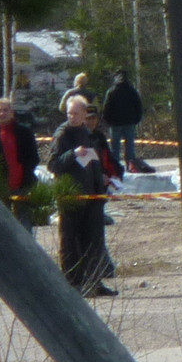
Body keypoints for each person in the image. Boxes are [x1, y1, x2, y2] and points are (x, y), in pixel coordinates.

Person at [48, 93, 117, 297]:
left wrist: (100, 189)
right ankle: (73, 283)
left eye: (76, 113)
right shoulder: (63, 134)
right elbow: (53, 164)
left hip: (92, 197)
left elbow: (93, 162)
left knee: (93, 241)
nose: (73, 117)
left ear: (84, 114)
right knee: (70, 242)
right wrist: (72, 154)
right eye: (70, 113)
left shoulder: (86, 132)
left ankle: (95, 282)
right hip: (70, 198)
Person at [100, 68, 144, 171]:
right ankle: (131, 166)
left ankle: (115, 167)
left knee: (115, 147)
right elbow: (139, 106)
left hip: (115, 124)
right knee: (130, 146)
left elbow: (106, 108)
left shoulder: (111, 91)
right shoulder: (132, 90)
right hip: (129, 122)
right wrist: (137, 119)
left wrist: (108, 121)